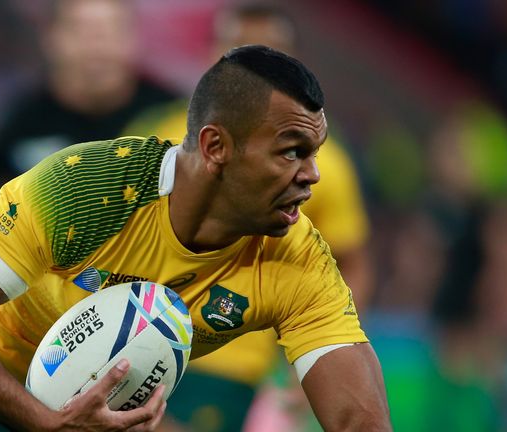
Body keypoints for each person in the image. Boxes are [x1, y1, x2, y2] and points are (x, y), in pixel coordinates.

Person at [0, 45, 390, 431]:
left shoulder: (300, 262)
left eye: (315, 152)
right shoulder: (89, 187)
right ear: (216, 147)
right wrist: (46, 421)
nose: (313, 174)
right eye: (292, 151)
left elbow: (358, 420)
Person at [124, 3, 373, 430]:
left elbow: (351, 264)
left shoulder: (325, 169)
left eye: (272, 57)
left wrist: (320, 356)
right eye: (238, 54)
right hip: (130, 342)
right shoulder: (152, 138)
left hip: (231, 362)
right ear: (209, 57)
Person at [0, 0, 177, 211]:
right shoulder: (22, 119)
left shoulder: (173, 115)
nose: (98, 45)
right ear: (51, 38)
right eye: (82, 31)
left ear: (135, 39)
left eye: (112, 30)